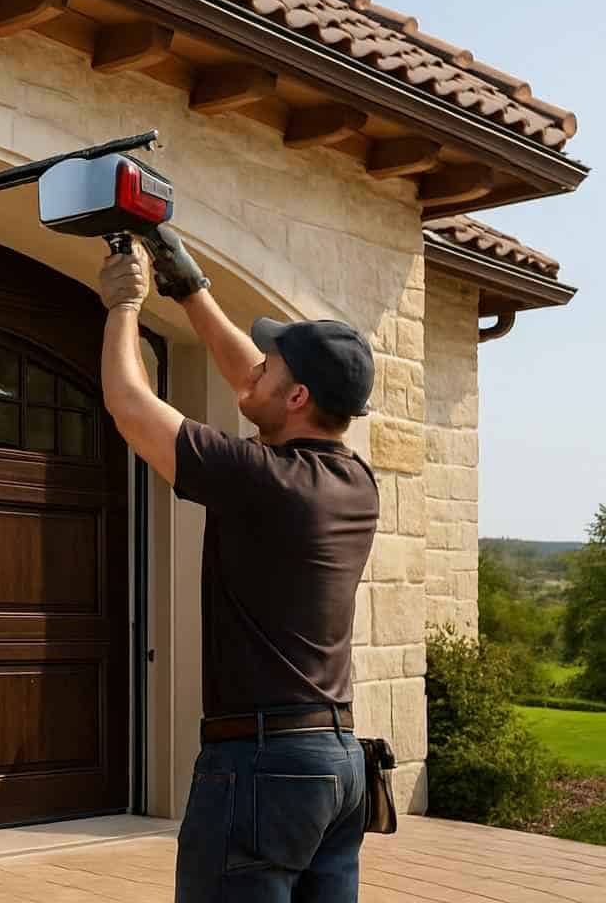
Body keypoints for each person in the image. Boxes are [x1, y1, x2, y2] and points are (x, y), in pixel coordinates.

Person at [96, 229, 379, 903]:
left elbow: (130, 406)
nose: (252, 368)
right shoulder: (355, 482)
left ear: (299, 397)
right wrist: (190, 289)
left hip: (261, 766)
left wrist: (123, 306)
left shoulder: (261, 478)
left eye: (270, 363)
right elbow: (252, 381)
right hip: (338, 768)